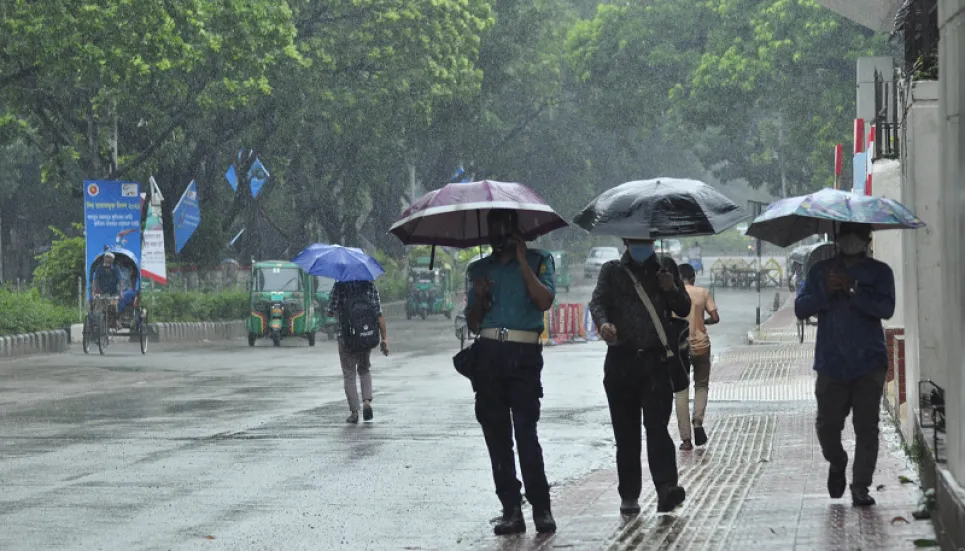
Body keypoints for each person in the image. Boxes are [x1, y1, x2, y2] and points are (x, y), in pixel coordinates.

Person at [465, 209, 557, 535]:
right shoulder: (478, 270)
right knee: (497, 437)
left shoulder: (539, 260)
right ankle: (511, 509)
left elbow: (544, 301)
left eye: (504, 228)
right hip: (488, 355)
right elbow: (474, 323)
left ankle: (541, 508)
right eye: (493, 229)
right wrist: (479, 297)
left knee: (526, 432)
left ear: (518, 230)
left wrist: (521, 261)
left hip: (524, 355)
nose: (498, 235)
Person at [588, 240, 692, 515]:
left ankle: (666, 488)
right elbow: (597, 302)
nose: (641, 243)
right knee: (626, 433)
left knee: (657, 428)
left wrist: (671, 288)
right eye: (635, 239)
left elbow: (683, 308)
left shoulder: (665, 267)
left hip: (655, 361)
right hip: (620, 361)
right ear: (625, 241)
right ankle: (629, 494)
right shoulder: (612, 271)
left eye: (646, 238)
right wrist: (603, 324)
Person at [795, 222, 895, 507]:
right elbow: (801, 309)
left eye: (858, 235)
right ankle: (837, 461)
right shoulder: (819, 272)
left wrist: (853, 289)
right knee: (827, 426)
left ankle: (860, 486)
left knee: (867, 427)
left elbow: (886, 309)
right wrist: (825, 291)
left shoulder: (880, 273)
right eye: (847, 234)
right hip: (831, 362)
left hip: (869, 363)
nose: (852, 240)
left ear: (867, 239)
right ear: (837, 238)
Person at [327, 280, 389, 424]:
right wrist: (384, 339)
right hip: (365, 335)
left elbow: (330, 311)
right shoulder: (369, 285)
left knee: (349, 374)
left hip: (346, 336)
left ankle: (354, 412)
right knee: (364, 369)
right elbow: (379, 314)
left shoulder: (339, 286)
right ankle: (367, 402)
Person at [674, 263, 719, 451]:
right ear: (693, 277)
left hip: (680, 346)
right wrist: (703, 321)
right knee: (701, 385)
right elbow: (715, 317)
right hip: (701, 345)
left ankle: (685, 440)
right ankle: (698, 422)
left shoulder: (673, 296)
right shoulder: (702, 292)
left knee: (681, 390)